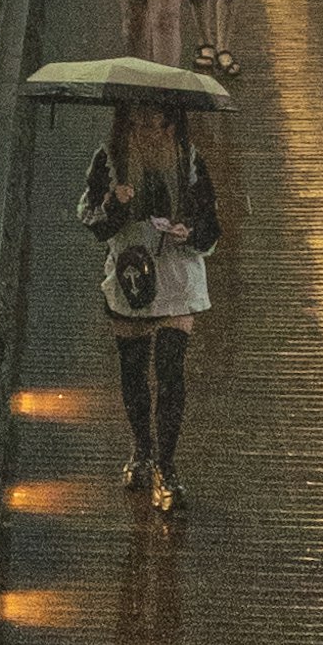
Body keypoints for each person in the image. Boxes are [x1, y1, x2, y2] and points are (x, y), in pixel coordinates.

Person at [77, 93, 218, 514]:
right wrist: (115, 205)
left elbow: (211, 225)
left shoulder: (189, 162)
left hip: (177, 276)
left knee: (171, 372)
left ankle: (167, 465)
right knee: (134, 372)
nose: (150, 134)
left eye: (159, 126)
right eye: (140, 126)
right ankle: (142, 447)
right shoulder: (108, 160)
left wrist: (187, 232)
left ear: (173, 125)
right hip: (131, 275)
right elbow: (94, 224)